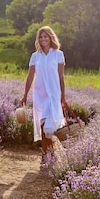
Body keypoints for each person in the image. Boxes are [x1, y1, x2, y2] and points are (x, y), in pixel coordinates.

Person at [20, 26, 67, 160]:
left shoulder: (58, 54)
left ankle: (49, 152)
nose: (43, 39)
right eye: (40, 37)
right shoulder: (35, 56)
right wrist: (24, 95)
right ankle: (46, 154)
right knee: (42, 125)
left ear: (51, 37)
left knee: (49, 127)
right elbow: (30, 77)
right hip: (40, 94)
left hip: (54, 94)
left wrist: (63, 96)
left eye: (45, 36)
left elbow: (61, 77)